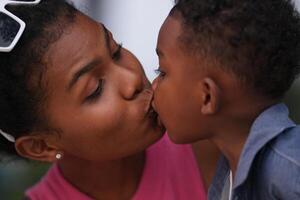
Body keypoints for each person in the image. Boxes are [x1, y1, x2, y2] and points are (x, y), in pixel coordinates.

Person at [0, 0, 213, 199]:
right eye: (95, 89)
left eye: (116, 50)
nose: (132, 80)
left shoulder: (207, 128)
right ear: (40, 146)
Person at [152, 0, 300, 199]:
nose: (153, 86)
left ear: (207, 97)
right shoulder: (226, 180)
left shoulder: (289, 167)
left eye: (162, 72)